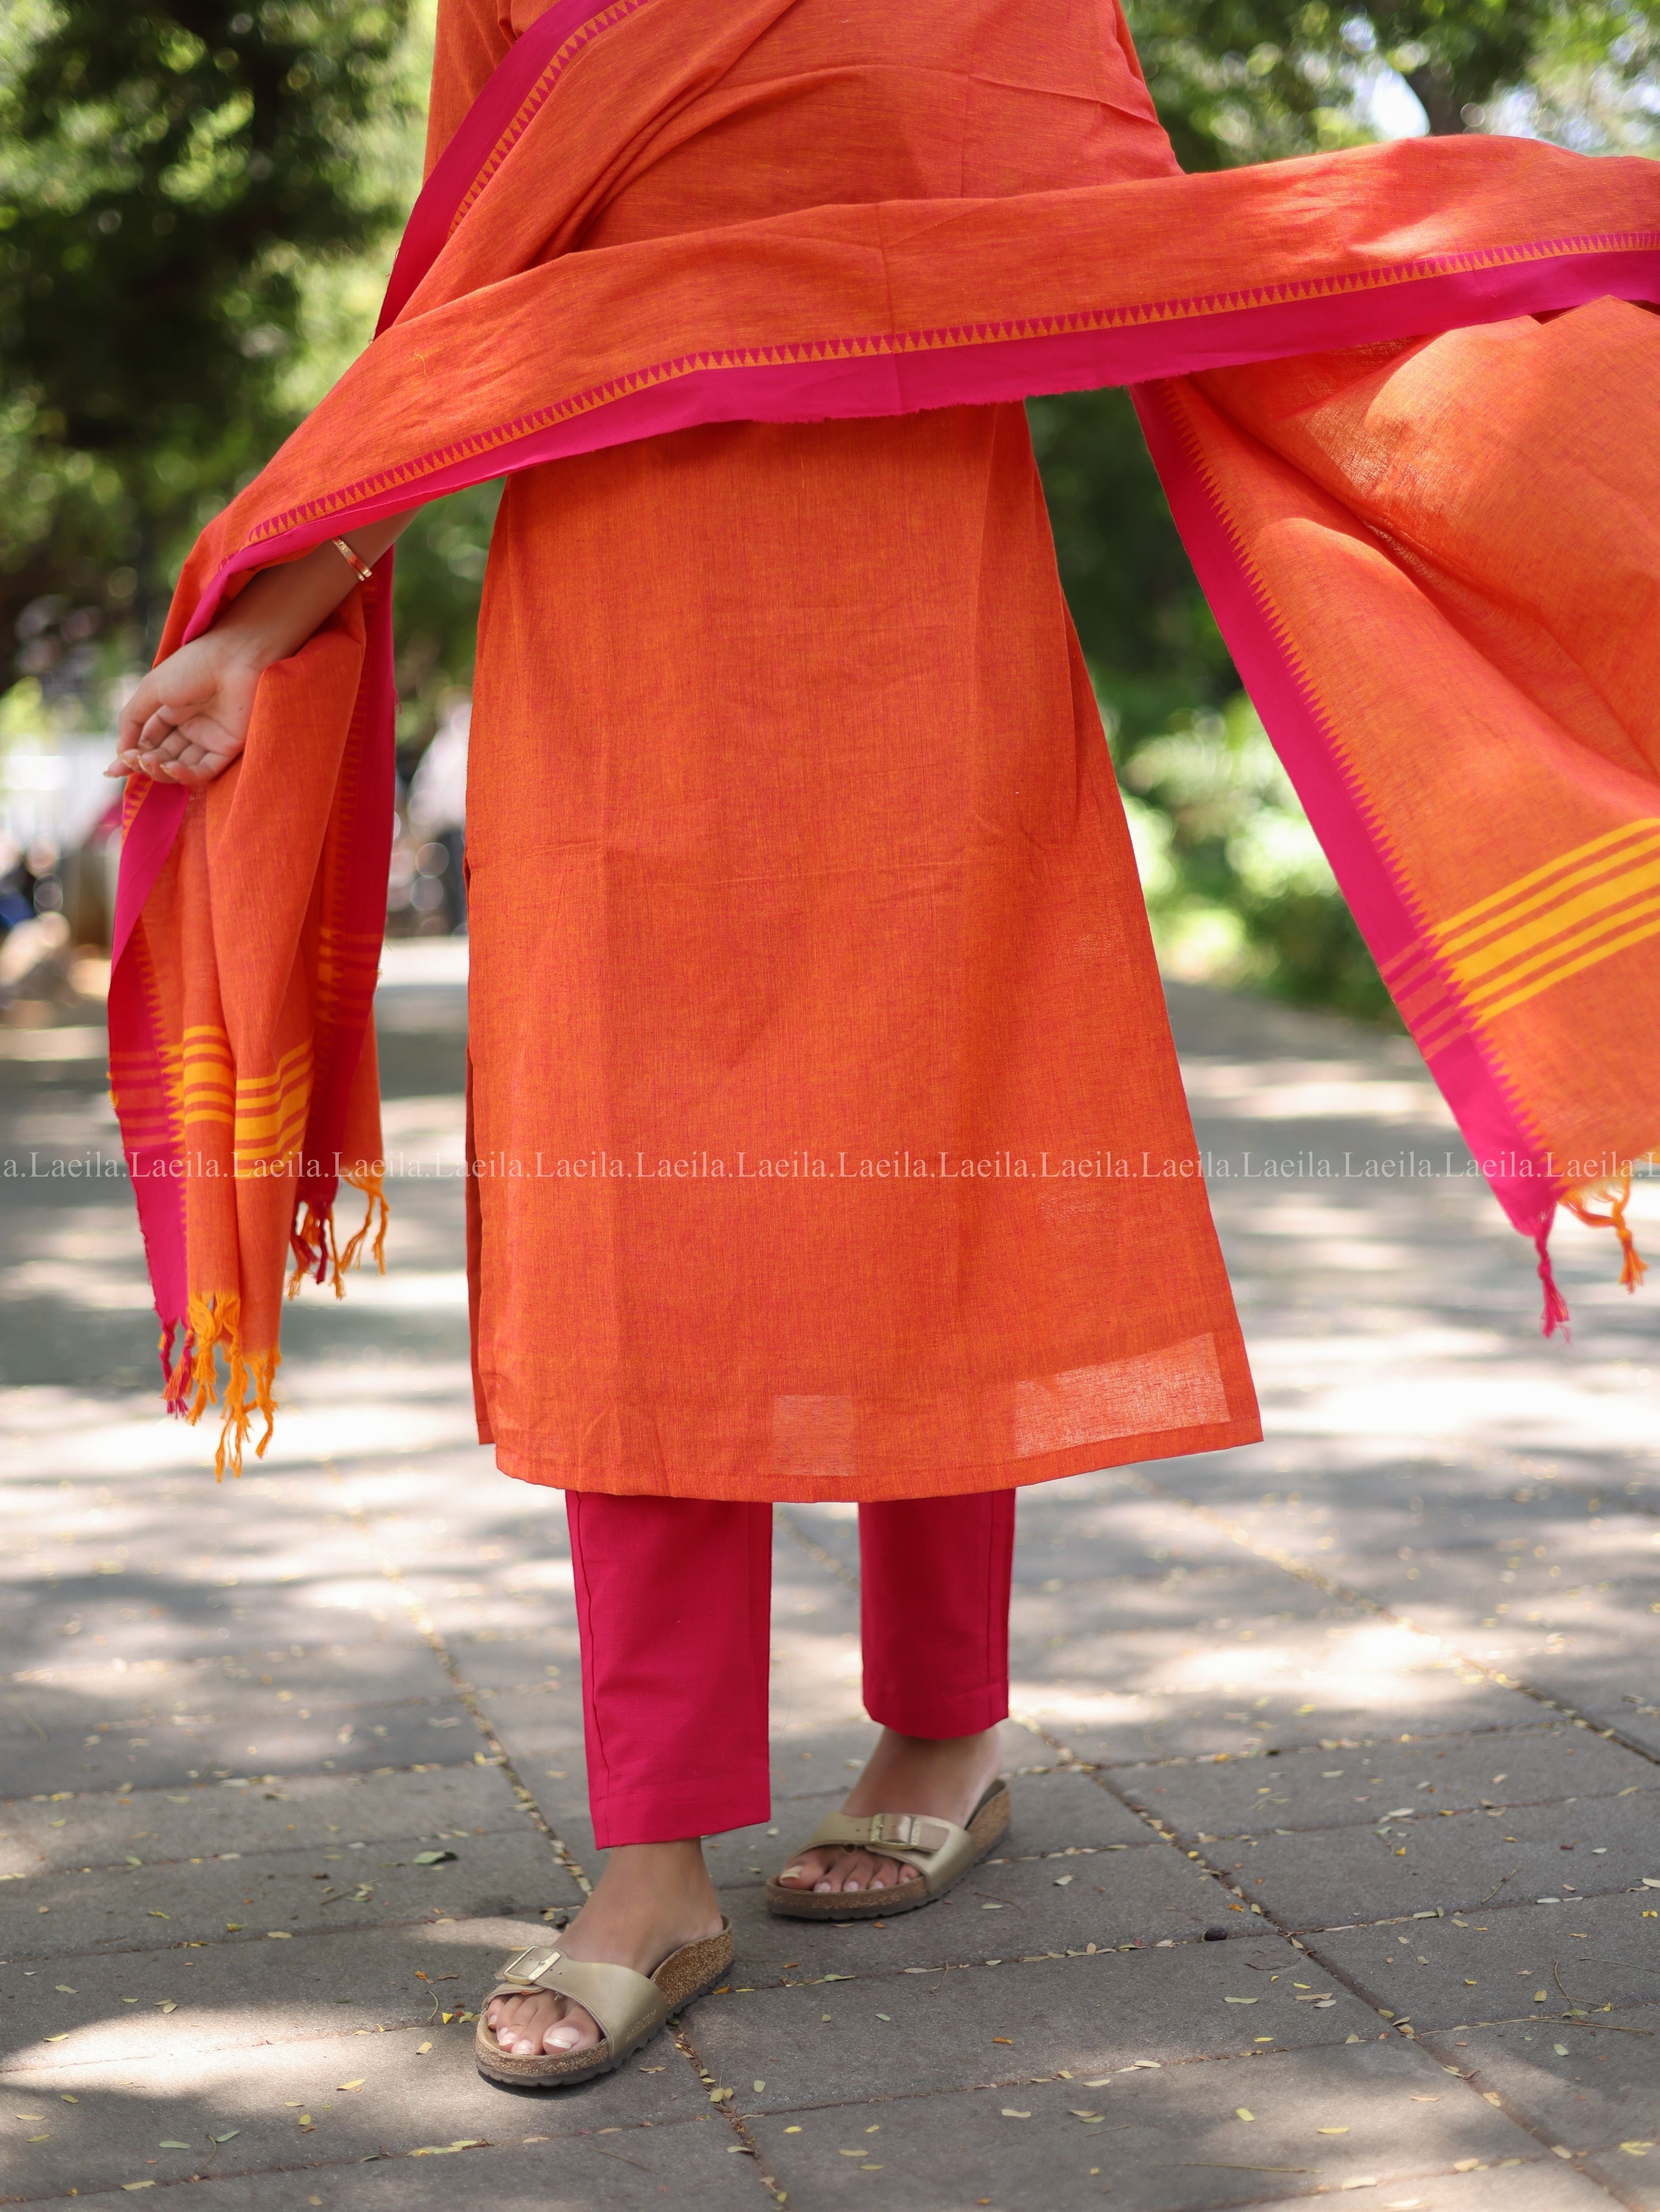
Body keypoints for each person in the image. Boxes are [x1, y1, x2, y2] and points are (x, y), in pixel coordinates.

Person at [104, 0, 1660, 2090]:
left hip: (927, 616)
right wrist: (257, 622)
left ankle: (947, 1720)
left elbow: (1166, 258)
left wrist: (1508, 337)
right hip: (619, 638)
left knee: (939, 1140)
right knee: (634, 1208)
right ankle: (651, 1858)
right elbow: (457, 327)